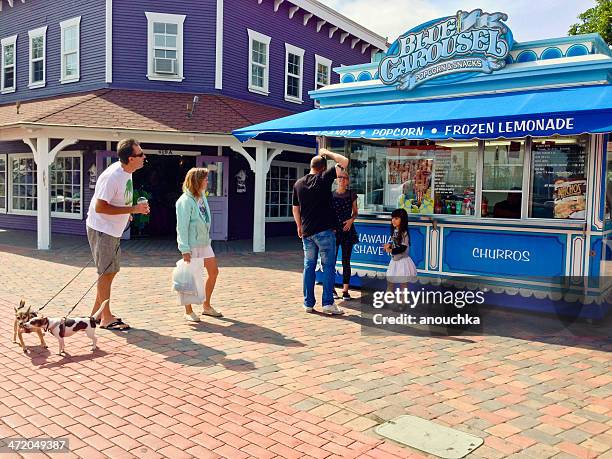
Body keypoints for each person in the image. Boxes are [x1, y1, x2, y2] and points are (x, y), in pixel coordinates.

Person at [87, 139, 150, 330]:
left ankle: (95, 315)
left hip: (112, 231)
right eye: (140, 154)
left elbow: (119, 201)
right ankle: (106, 318)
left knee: (111, 272)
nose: (144, 157)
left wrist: (129, 212)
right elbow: (100, 207)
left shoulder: (127, 172)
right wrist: (133, 209)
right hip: (102, 230)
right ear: (131, 158)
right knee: (105, 273)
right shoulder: (113, 176)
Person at [292, 147, 349, 315]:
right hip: (325, 231)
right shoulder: (324, 178)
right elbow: (344, 161)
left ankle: (308, 303)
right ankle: (327, 303)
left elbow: (295, 208)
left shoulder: (298, 184)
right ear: (323, 167)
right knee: (328, 266)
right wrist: (328, 152)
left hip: (307, 232)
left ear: (311, 166)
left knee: (309, 266)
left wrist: (299, 226)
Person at [176, 167, 222, 322]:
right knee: (190, 278)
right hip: (191, 245)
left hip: (204, 243)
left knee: (213, 272)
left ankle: (206, 306)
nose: (207, 181)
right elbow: (181, 227)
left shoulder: (202, 196)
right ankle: (188, 311)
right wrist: (184, 249)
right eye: (205, 179)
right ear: (197, 181)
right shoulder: (184, 201)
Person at [331, 170, 358, 300]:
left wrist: (351, 220)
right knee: (331, 261)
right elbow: (328, 213)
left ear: (347, 181)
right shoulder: (331, 195)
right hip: (334, 231)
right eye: (339, 177)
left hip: (347, 230)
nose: (342, 179)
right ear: (336, 180)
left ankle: (345, 291)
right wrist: (331, 227)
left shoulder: (351, 194)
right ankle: (331, 289)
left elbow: (355, 212)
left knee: (346, 261)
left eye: (344, 177)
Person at [383, 208, 417, 292]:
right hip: (394, 260)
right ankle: (388, 299)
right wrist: (389, 245)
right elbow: (396, 243)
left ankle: (403, 302)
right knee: (390, 282)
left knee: (403, 284)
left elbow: (402, 248)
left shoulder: (404, 233)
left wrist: (390, 250)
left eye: (396, 218)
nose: (393, 220)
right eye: (392, 218)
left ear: (403, 220)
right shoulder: (395, 231)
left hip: (402, 262)